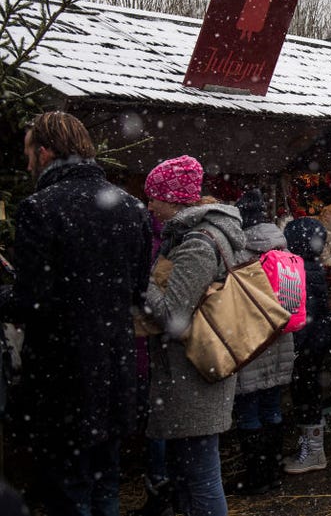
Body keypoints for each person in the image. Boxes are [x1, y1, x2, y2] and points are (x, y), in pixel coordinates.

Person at [1, 111, 152, 516]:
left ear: (45, 152)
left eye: (30, 153)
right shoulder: (131, 207)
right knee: (106, 485)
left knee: (69, 491)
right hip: (114, 369)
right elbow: (138, 289)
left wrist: (5, 291)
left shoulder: (40, 208)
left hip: (62, 375)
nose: (28, 162)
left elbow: (32, 302)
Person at [141, 155, 245, 516]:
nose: (150, 204)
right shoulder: (192, 236)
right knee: (189, 470)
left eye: (154, 196)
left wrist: (139, 277)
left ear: (174, 199)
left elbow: (173, 315)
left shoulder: (199, 243)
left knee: (200, 473)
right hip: (192, 370)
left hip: (196, 371)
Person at [225, 189, 295, 495]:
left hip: (250, 341)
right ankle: (274, 468)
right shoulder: (284, 248)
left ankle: (256, 475)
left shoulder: (237, 252)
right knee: (272, 406)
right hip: (280, 338)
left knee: (248, 409)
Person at [282, 217, 331, 475]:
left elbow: (303, 314)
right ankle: (310, 447)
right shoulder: (312, 265)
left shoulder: (298, 268)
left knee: (306, 394)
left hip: (309, 342)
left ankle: (313, 452)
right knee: (307, 392)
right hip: (317, 338)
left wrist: (297, 347)